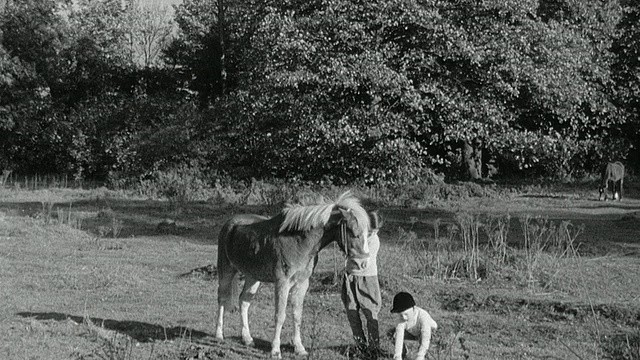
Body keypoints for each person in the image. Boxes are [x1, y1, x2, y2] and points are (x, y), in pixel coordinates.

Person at [342, 211, 382, 356]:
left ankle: (374, 347)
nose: (372, 233)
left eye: (375, 231)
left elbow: (363, 263)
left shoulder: (373, 240)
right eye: (370, 230)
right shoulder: (358, 234)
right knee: (352, 311)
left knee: (370, 312)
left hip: (367, 278)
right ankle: (360, 344)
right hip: (351, 276)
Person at [390, 291, 438, 360]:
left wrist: (420, 356)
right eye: (401, 315)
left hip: (431, 333)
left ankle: (426, 355)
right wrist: (397, 356)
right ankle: (404, 353)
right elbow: (399, 336)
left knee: (424, 341)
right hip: (414, 333)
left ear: (414, 309)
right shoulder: (401, 320)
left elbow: (426, 336)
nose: (404, 317)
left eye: (406, 314)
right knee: (393, 334)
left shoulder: (423, 316)